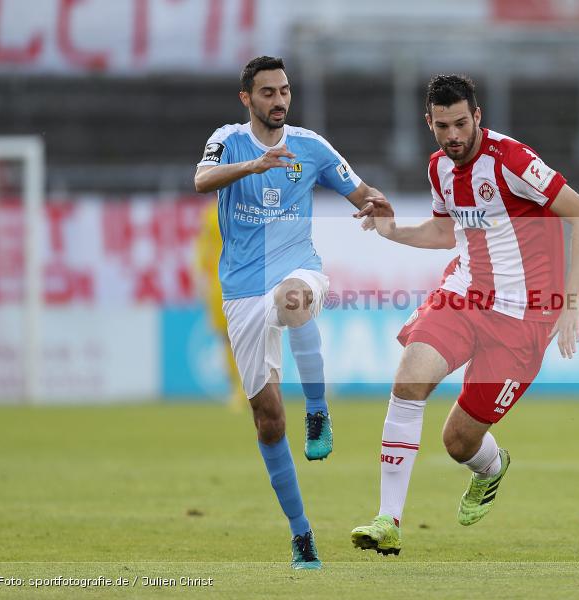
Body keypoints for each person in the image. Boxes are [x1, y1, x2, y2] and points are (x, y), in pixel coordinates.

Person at [349, 74, 579, 555]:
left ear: (478, 117)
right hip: (463, 294)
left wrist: (572, 303)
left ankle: (491, 467)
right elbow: (446, 232)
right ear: (429, 124)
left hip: (524, 319)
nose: (453, 136)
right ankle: (388, 520)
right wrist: (391, 231)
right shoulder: (438, 168)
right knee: (408, 382)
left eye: (461, 123)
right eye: (443, 126)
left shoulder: (513, 161)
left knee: (459, 441)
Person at [193, 56, 382, 568]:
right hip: (241, 292)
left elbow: (360, 191)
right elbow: (202, 179)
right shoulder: (228, 140)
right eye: (268, 92)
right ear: (246, 99)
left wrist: (373, 204)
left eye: (284, 91)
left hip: (299, 270)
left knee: (294, 298)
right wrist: (252, 166)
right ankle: (302, 535)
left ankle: (318, 410)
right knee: (269, 421)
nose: (279, 100)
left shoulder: (312, 147)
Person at [192, 202, 248, 412]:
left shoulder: (217, 212)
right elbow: (202, 249)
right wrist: (199, 277)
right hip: (221, 285)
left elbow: (200, 249)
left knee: (244, 337)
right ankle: (238, 388)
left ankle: (248, 387)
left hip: (240, 283)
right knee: (228, 339)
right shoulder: (210, 214)